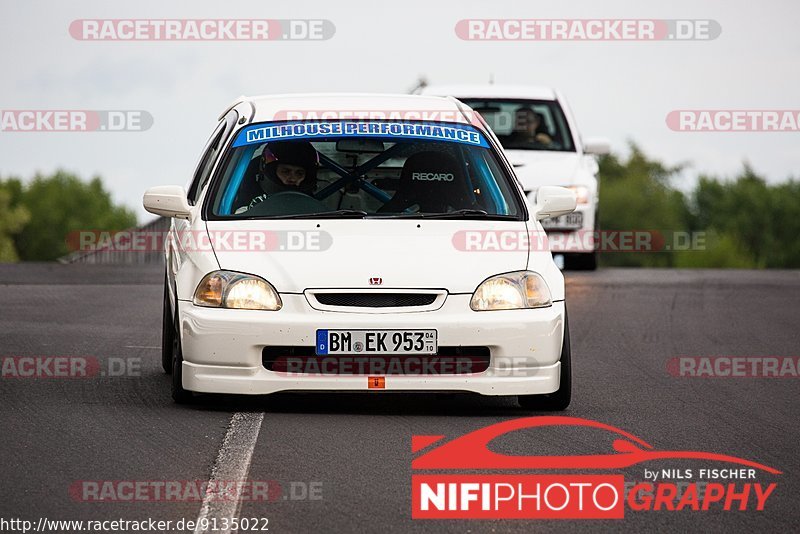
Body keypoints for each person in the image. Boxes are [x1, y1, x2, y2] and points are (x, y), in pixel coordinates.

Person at [235, 141, 319, 213]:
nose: (293, 178)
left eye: (299, 173)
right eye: (286, 172)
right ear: (271, 172)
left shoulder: (316, 209)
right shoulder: (245, 208)